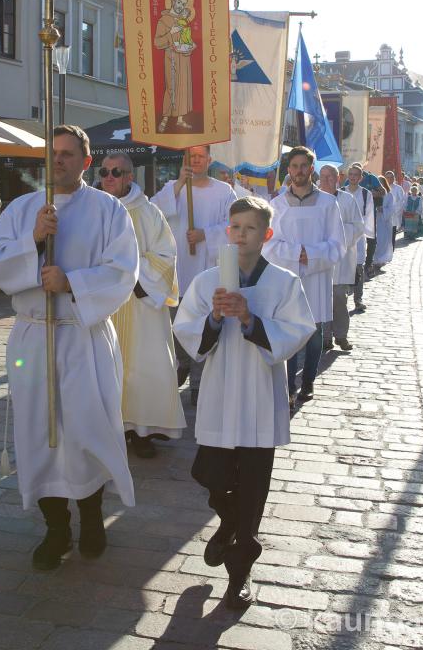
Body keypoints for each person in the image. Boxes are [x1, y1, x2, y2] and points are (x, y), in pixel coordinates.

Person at [0, 125, 138, 571]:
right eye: (53, 154)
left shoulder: (108, 210)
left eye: (69, 154)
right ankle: (55, 527)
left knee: (86, 429)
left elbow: (124, 271)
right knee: (40, 432)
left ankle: (90, 517)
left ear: (86, 162)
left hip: (82, 335)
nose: (59, 161)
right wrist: (31, 240)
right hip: (35, 333)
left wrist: (72, 282)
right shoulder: (23, 208)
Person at [173, 197, 313, 609]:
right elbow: (187, 331)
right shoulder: (207, 280)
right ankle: (228, 520)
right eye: (234, 227)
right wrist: (214, 319)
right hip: (219, 393)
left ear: (266, 234)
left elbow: (299, 330)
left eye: (250, 228)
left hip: (259, 395)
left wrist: (252, 321)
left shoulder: (284, 282)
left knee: (252, 487)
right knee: (210, 473)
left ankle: (240, 571)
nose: (241, 234)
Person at [98, 152, 186, 458]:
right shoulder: (93, 210)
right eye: (105, 171)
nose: (109, 177)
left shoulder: (149, 213)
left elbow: (165, 257)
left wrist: (133, 274)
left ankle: (141, 430)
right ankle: (107, 428)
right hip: (103, 302)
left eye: (116, 172)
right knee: (104, 365)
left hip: (139, 301)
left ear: (129, 177)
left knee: (143, 367)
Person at [152, 145, 237, 395]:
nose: (196, 160)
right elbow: (154, 213)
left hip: (205, 267)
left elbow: (232, 226)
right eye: (191, 156)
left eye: (201, 156)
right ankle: (183, 363)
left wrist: (205, 235)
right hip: (177, 269)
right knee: (177, 323)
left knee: (203, 324)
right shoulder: (172, 189)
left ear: (209, 160)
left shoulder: (223, 191)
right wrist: (179, 185)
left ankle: (200, 381)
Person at [264, 147, 345, 404]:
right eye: (294, 166)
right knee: (288, 330)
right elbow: (268, 244)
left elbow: (338, 244)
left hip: (316, 277)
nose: (299, 171)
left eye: (303, 166)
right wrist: (295, 253)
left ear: (312, 169)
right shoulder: (276, 205)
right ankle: (288, 386)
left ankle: (308, 381)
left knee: (314, 331)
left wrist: (309, 254)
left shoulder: (328, 203)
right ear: (289, 170)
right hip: (286, 278)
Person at [319, 164, 361, 352]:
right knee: (321, 298)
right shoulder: (315, 200)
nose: (326, 180)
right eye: (323, 176)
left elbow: (358, 226)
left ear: (337, 179)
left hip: (341, 258)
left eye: (330, 177)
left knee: (338, 298)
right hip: (320, 258)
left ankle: (341, 335)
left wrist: (339, 232)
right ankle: (325, 337)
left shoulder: (348, 200)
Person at [153, 0, 198, 132]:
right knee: (171, 86)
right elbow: (157, 42)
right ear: (173, 2)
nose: (181, 6)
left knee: (183, 88)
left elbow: (185, 38)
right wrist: (171, 32)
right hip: (171, 57)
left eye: (184, 4)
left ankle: (180, 119)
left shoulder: (182, 21)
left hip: (184, 59)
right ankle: (165, 118)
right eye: (179, 2)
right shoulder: (164, 20)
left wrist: (191, 45)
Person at [343, 164, 375, 311]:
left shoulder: (365, 194)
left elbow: (369, 214)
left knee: (358, 266)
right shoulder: (341, 192)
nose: (353, 177)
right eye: (351, 174)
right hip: (343, 233)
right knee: (343, 265)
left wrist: (369, 234)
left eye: (356, 175)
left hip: (359, 234)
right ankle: (342, 296)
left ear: (361, 177)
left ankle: (358, 298)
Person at [372, 176, 395, 270]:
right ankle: (374, 259)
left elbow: (392, 209)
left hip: (384, 221)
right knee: (374, 241)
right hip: (375, 219)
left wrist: (383, 210)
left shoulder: (389, 195)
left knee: (383, 241)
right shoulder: (373, 194)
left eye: (381, 183)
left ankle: (381, 259)